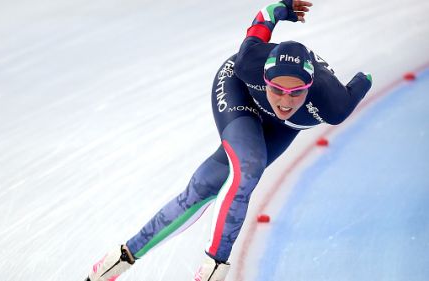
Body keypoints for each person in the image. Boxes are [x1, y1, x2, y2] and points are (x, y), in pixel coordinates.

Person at [85, 0, 372, 280]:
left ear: (310, 87)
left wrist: (367, 75)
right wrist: (284, 7)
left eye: (296, 92)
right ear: (265, 79)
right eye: (277, 89)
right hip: (240, 92)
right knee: (248, 166)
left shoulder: (334, 105)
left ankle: (117, 261)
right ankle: (214, 267)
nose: (285, 100)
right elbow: (265, 15)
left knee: (206, 185)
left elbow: (364, 79)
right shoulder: (249, 62)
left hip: (283, 127)